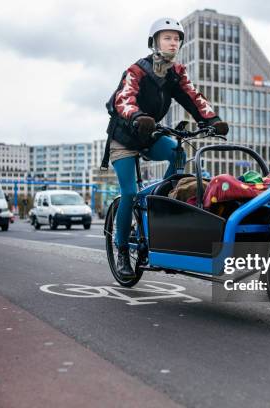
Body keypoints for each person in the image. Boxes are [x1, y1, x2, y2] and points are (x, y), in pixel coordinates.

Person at [104, 17, 229, 278]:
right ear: (154, 42)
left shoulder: (177, 72)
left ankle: (163, 199)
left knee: (177, 152)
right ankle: (123, 249)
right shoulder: (137, 70)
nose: (173, 43)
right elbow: (123, 99)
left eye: (176, 38)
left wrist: (212, 120)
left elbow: (193, 97)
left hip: (150, 134)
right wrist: (137, 117)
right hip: (124, 137)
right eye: (167, 38)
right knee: (128, 192)